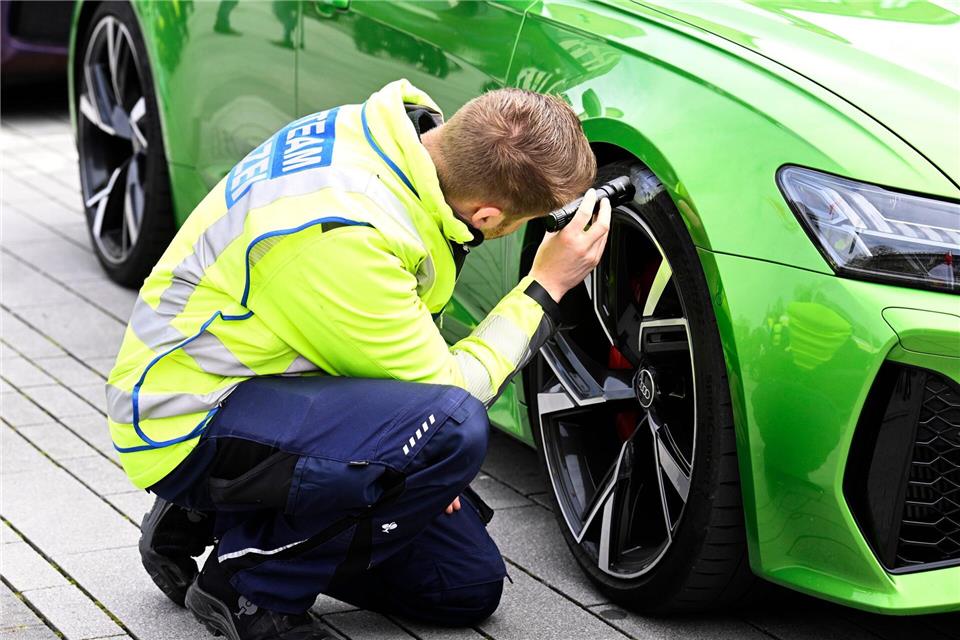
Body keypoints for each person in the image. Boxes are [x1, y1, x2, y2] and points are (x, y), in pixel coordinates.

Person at [107, 79, 609, 640]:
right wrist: (544, 286)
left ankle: (218, 515)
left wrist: (406, 466)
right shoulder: (346, 231)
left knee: (463, 586)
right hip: (188, 414)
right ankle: (249, 584)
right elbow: (453, 392)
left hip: (276, 381)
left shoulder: (390, 138)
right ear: (487, 216)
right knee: (451, 429)